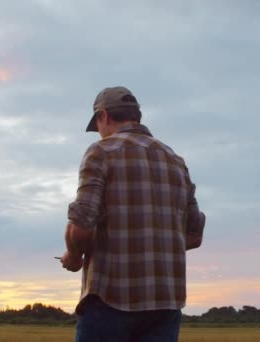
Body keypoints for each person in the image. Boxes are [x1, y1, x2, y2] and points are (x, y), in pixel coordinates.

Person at [60, 86, 205, 342]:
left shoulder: (101, 151)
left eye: (98, 125)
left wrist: (73, 255)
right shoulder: (175, 160)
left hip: (110, 300)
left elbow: (81, 226)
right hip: (166, 303)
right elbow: (194, 235)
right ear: (136, 116)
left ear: (103, 116)